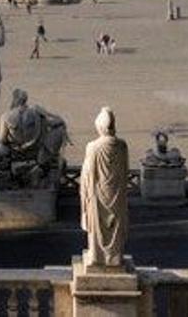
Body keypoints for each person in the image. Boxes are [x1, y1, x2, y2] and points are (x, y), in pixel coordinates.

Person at [80, 107, 129, 268]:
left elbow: (87, 176)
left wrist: (85, 197)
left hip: (97, 197)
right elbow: (125, 171)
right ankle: (114, 257)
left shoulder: (93, 147)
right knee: (115, 226)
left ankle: (97, 256)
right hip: (116, 195)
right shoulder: (122, 146)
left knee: (97, 228)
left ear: (99, 127)